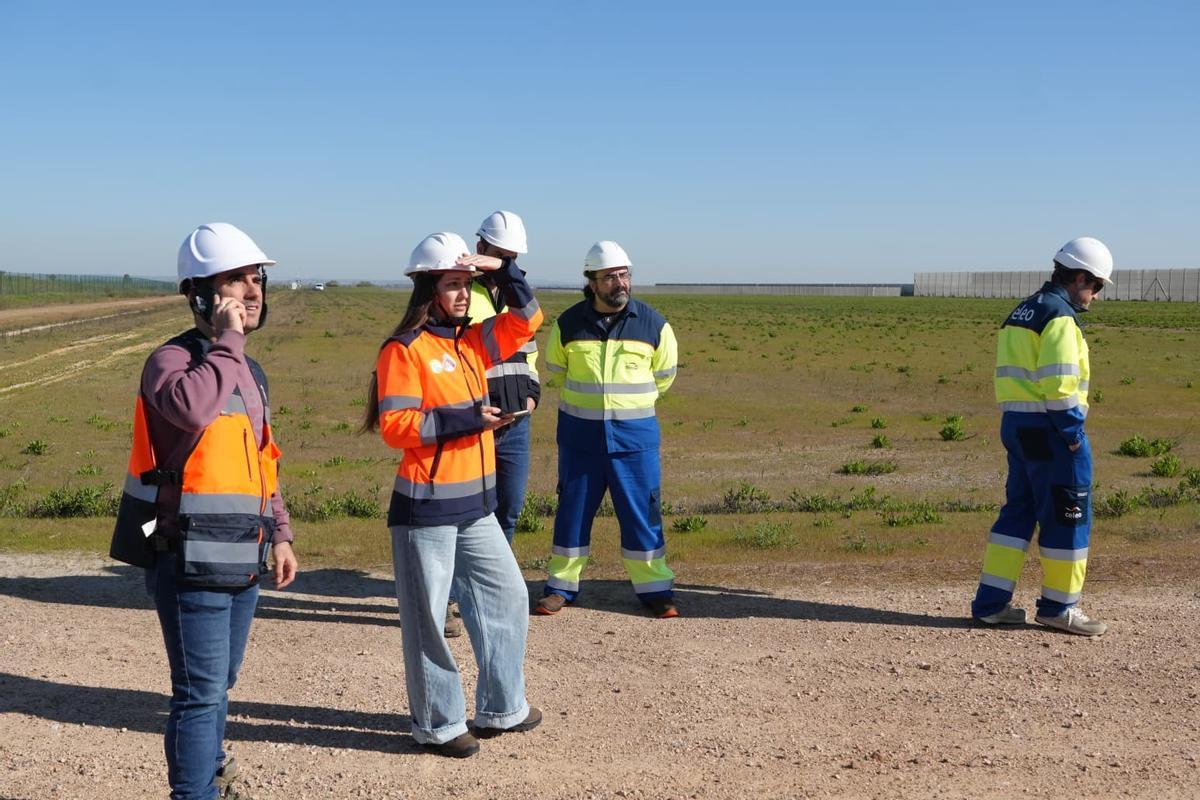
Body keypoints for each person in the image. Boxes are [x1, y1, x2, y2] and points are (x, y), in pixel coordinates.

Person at [108, 222, 299, 799]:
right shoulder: (169, 362)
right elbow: (191, 411)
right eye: (236, 279)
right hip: (187, 560)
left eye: (256, 278)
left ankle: (214, 769)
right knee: (198, 691)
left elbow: (264, 460)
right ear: (200, 295)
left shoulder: (249, 370)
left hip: (245, 554)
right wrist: (227, 343)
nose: (252, 290)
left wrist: (282, 533)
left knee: (220, 683)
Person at [363, 232, 544, 758]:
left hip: (477, 505)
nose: (463, 294)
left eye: (468, 285)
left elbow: (528, 320)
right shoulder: (404, 349)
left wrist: (503, 270)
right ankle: (438, 724)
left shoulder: (475, 340)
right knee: (427, 625)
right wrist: (468, 419)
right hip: (427, 508)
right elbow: (397, 426)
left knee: (509, 597)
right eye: (453, 284)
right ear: (427, 289)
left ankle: (501, 708)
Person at [971, 237, 1113, 637]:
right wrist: (1072, 436)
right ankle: (1059, 608)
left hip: (1017, 428)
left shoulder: (1022, 311)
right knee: (1069, 518)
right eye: (1097, 286)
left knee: (1018, 513)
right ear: (1080, 277)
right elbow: (1060, 385)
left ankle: (990, 605)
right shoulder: (1060, 318)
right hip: (1053, 434)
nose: (1096, 296)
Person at [536, 241, 679, 619]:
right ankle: (560, 588)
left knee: (642, 514)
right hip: (580, 439)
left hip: (635, 441)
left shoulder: (654, 324)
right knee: (572, 512)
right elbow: (558, 369)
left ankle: (655, 590)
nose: (620, 283)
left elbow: (664, 377)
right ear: (591, 282)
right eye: (610, 277)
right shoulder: (567, 324)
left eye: (624, 274)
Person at [439, 211, 540, 640]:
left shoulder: (517, 295)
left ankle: (487, 594)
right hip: (471, 423)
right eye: (499, 254)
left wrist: (533, 394)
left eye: (511, 257)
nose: (504, 262)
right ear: (479, 248)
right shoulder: (461, 290)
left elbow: (530, 343)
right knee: (457, 515)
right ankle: (444, 603)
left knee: (508, 512)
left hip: (515, 423)